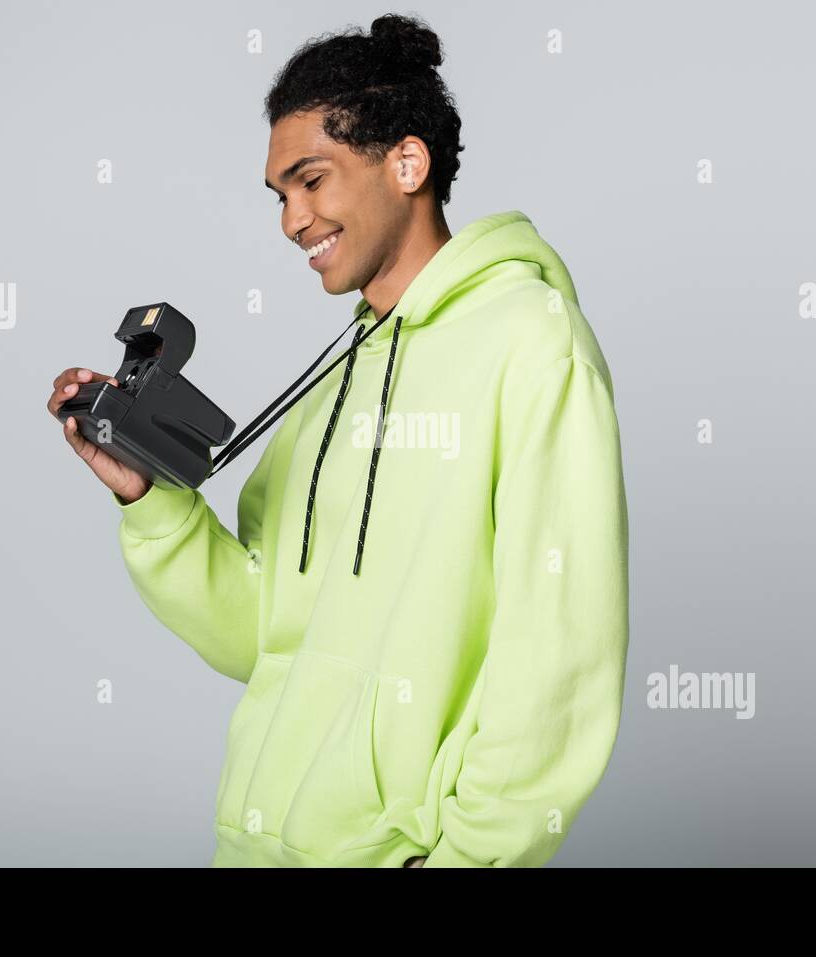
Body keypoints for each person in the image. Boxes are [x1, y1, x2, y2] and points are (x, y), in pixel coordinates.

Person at [46, 13, 628, 867]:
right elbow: (259, 633)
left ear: (407, 161)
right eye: (281, 195)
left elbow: (561, 659)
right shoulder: (337, 379)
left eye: (311, 180)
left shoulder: (532, 341)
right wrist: (150, 501)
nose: (292, 220)